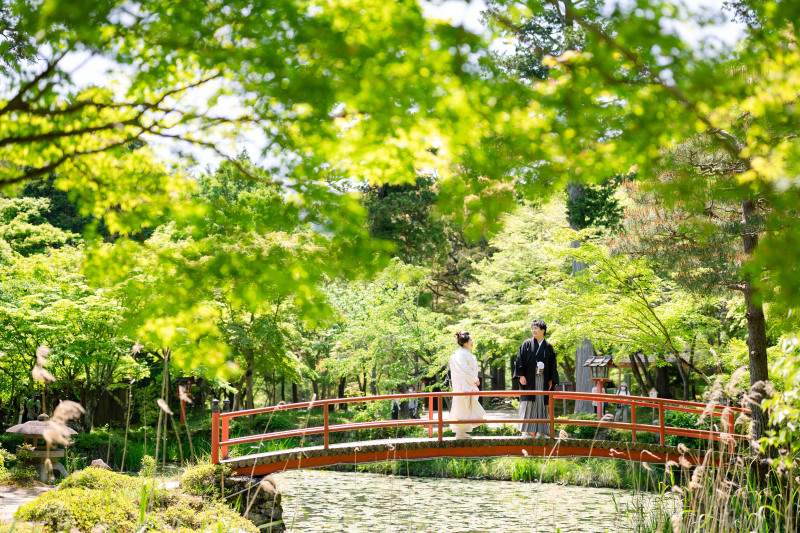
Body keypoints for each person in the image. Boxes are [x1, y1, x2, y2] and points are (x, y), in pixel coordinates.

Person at [514, 320, 559, 438]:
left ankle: (541, 431)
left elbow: (553, 364)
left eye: (536, 328)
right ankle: (526, 431)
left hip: (543, 379)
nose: (533, 330)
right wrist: (521, 375)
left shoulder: (548, 347)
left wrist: (551, 380)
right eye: (532, 328)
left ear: (543, 330)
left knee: (541, 404)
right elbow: (520, 359)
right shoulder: (527, 344)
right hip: (529, 379)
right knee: (528, 403)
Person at [449, 331, 485, 439]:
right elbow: (464, 369)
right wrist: (474, 379)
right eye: (470, 340)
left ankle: (463, 432)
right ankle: (460, 432)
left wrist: (474, 379)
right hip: (463, 385)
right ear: (465, 342)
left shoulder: (466, 353)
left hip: (468, 384)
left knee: (467, 407)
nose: (472, 342)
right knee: (462, 408)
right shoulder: (460, 354)